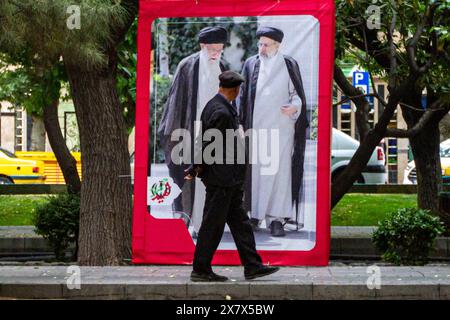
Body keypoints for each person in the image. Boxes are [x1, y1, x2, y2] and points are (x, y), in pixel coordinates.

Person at [186, 71, 280, 282]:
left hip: (228, 180)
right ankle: (200, 269)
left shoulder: (215, 105)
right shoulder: (222, 112)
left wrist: (197, 167)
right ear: (236, 90)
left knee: (240, 223)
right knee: (213, 225)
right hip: (223, 180)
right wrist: (197, 167)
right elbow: (210, 144)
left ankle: (252, 266)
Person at [239, 26, 308, 237]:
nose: (261, 48)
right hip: (257, 129)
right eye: (260, 44)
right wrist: (241, 124)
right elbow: (242, 97)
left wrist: (295, 107)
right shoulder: (251, 64)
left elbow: (297, 94)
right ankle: (255, 215)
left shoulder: (289, 64)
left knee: (279, 174)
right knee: (257, 173)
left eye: (266, 44)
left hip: (281, 129)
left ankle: (276, 219)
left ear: (277, 45)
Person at [158, 26, 228, 232]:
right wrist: (173, 135)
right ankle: (190, 222)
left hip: (215, 134)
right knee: (190, 179)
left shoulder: (223, 66)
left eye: (219, 49)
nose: (216, 54)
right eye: (212, 49)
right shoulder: (186, 65)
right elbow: (175, 102)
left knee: (212, 179)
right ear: (202, 46)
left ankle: (206, 224)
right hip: (190, 130)